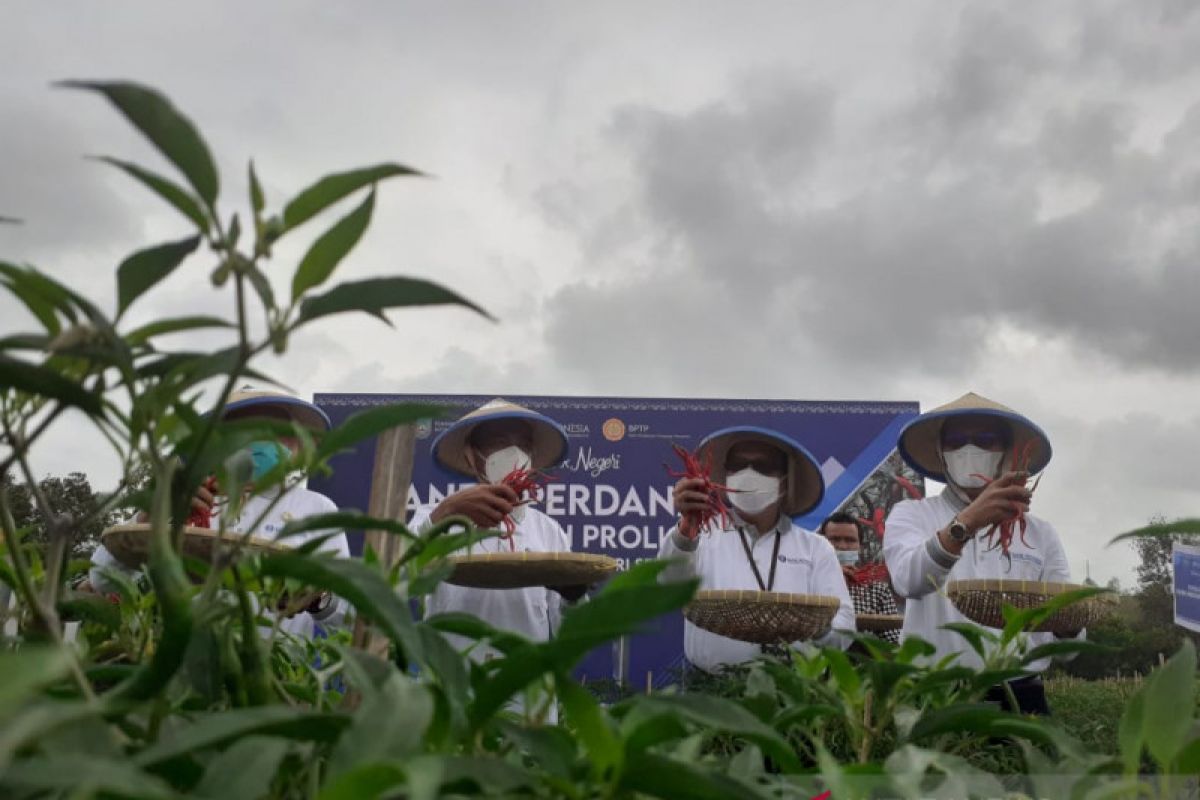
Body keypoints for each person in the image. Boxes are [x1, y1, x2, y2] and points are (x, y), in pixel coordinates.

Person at [87, 388, 351, 639]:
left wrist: (317, 596)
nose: (260, 439)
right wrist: (152, 513)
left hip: (276, 673)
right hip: (182, 665)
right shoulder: (189, 502)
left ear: (296, 444)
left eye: (275, 430)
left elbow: (345, 621)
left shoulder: (316, 510)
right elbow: (102, 581)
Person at [883, 392, 1074, 715]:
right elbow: (909, 580)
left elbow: (1067, 644)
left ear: (1005, 453)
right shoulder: (910, 515)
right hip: (935, 693)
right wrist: (967, 522)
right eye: (956, 441)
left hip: (1020, 696)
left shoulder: (1041, 534)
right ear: (941, 453)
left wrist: (1069, 623)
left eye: (986, 440)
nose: (969, 450)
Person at [659, 426, 856, 673]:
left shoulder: (816, 548)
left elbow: (844, 629)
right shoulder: (700, 536)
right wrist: (687, 527)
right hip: (713, 691)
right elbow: (668, 590)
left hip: (793, 691)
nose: (749, 473)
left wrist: (811, 625)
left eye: (764, 466)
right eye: (738, 464)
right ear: (726, 473)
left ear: (785, 480)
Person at [408, 398, 578, 659]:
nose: (515, 453)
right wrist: (446, 512)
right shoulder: (433, 518)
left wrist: (572, 596)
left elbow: (569, 631)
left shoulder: (549, 531)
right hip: (455, 690)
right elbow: (396, 579)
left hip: (527, 690)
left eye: (523, 445)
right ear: (471, 456)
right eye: (499, 442)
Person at [820, 511, 902, 645]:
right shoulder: (807, 583)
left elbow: (891, 643)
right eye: (834, 539)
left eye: (850, 540)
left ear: (860, 547)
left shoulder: (878, 591)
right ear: (820, 543)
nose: (842, 546)